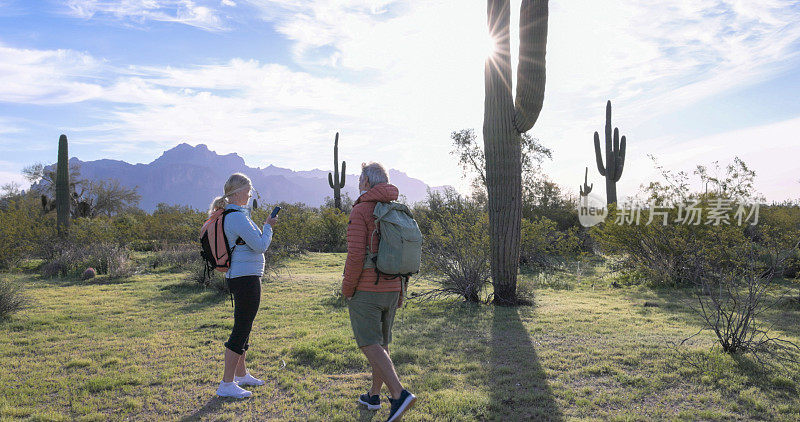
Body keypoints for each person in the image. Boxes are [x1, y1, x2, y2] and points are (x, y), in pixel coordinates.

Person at [343, 162, 416, 421]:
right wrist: (401, 290)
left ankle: (399, 394)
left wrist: (347, 288)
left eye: (360, 177)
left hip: (367, 289)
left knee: (368, 342)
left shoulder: (362, 210)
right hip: (393, 287)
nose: (358, 181)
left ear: (366, 182)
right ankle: (374, 396)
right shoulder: (397, 209)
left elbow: (355, 256)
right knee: (382, 344)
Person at [208, 173, 277, 399]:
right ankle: (226, 383)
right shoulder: (237, 217)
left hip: (242, 276)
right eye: (248, 190)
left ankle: (241, 374)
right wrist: (268, 226)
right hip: (245, 277)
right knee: (241, 329)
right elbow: (260, 245)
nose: (250, 194)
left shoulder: (235, 214)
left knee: (244, 325)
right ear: (237, 192)